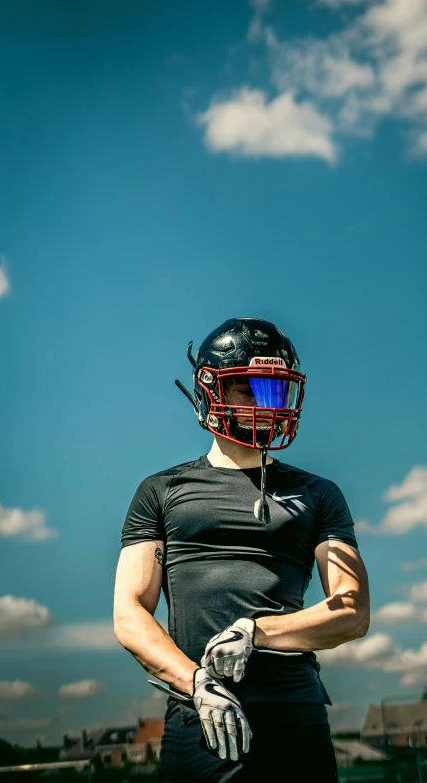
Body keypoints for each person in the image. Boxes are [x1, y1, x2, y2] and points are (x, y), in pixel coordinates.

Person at [113, 317, 370, 782]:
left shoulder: (319, 493)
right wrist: (194, 682)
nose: (264, 405)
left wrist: (257, 631)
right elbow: (129, 613)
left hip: (295, 710)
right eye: (247, 389)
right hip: (201, 714)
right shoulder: (161, 490)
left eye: (272, 391)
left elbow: (351, 610)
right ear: (209, 391)